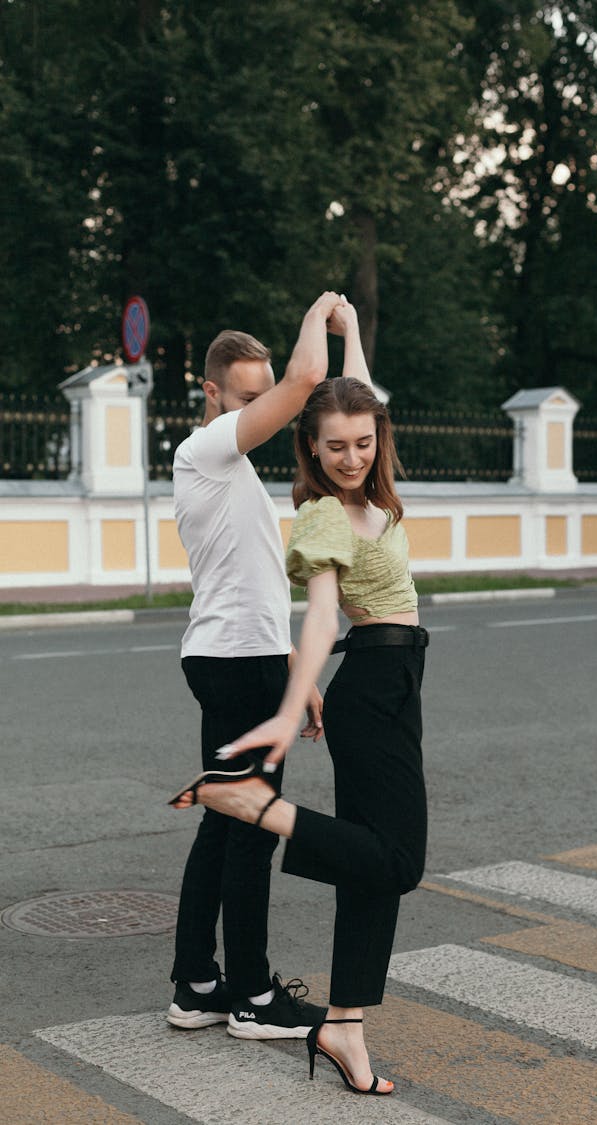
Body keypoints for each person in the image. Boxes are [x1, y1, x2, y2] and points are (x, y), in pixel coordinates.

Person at [171, 363, 429, 1097]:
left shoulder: (376, 493)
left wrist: (348, 326)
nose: (352, 457)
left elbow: (368, 400)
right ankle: (262, 807)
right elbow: (320, 615)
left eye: (363, 442)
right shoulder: (322, 513)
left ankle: (344, 1021)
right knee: (399, 861)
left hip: (401, 683)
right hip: (372, 688)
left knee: (374, 869)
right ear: (311, 451)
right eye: (335, 446)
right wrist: (290, 705)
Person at [168, 291, 353, 1039]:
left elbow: (252, 580)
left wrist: (294, 674)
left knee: (222, 822)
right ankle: (252, 994)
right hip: (230, 664)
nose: (262, 407)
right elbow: (308, 377)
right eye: (249, 396)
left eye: (262, 391)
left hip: (246, 658)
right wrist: (324, 311)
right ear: (212, 392)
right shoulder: (208, 449)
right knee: (250, 826)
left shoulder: (234, 468)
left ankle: (196, 984)